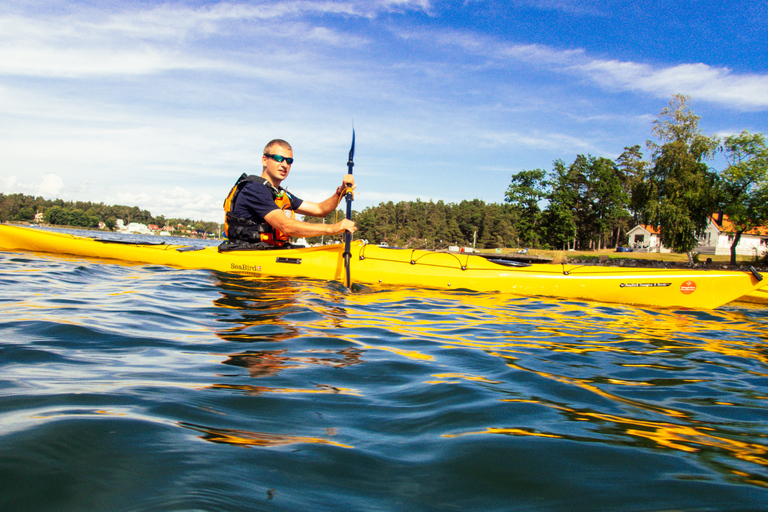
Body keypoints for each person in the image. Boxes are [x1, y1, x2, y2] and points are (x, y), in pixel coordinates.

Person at [221, 139, 356, 250]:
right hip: (247, 252)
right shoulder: (255, 189)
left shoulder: (280, 193)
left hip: (269, 250)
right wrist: (332, 228)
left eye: (289, 161)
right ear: (264, 160)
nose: (284, 165)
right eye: (279, 159)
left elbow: (320, 209)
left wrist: (340, 192)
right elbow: (285, 226)